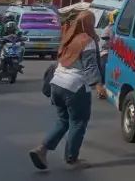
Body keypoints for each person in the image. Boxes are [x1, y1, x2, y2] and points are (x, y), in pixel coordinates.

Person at [29, 10, 105, 170]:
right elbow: (91, 66)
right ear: (89, 24)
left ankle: (42, 149)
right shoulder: (87, 41)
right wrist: (98, 85)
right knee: (78, 122)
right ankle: (72, 159)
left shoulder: (68, 38)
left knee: (63, 121)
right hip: (75, 87)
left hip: (57, 84)